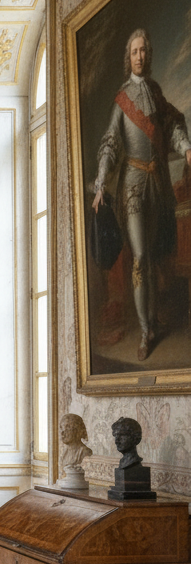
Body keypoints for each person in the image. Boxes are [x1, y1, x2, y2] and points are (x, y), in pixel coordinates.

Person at [92, 28, 191, 361]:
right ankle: (147, 330)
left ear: (148, 55)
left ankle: (153, 317)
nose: (140, 56)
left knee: (156, 255)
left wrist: (186, 147)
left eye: (144, 51)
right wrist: (102, 178)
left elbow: (173, 124)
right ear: (128, 56)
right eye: (134, 51)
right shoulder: (122, 99)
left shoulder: (156, 91)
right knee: (140, 259)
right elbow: (110, 142)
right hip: (133, 185)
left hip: (158, 184)